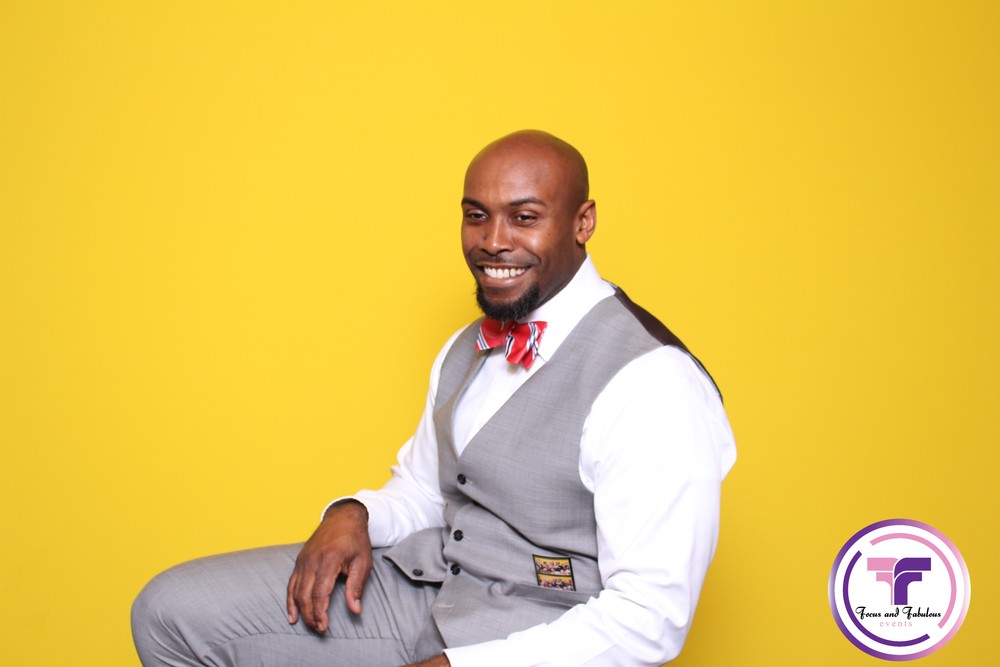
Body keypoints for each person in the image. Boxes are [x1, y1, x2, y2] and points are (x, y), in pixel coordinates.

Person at [132, 130, 737, 667]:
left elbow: (648, 619)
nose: (493, 242)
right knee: (171, 612)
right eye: (477, 216)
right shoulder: (465, 345)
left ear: (583, 223)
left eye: (524, 217)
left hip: (542, 635)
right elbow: (427, 491)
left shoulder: (652, 384)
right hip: (432, 589)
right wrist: (355, 512)